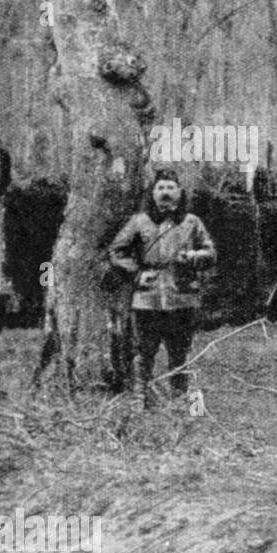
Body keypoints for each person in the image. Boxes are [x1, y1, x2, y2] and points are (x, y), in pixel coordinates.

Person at [109, 170, 216, 407]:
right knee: (143, 353)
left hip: (182, 296)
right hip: (148, 298)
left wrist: (193, 255)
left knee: (180, 353)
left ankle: (180, 401)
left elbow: (211, 252)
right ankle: (139, 400)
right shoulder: (139, 221)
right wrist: (136, 274)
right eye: (160, 188)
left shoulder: (192, 222)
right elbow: (116, 252)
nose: (165, 193)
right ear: (153, 193)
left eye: (170, 187)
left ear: (179, 192)